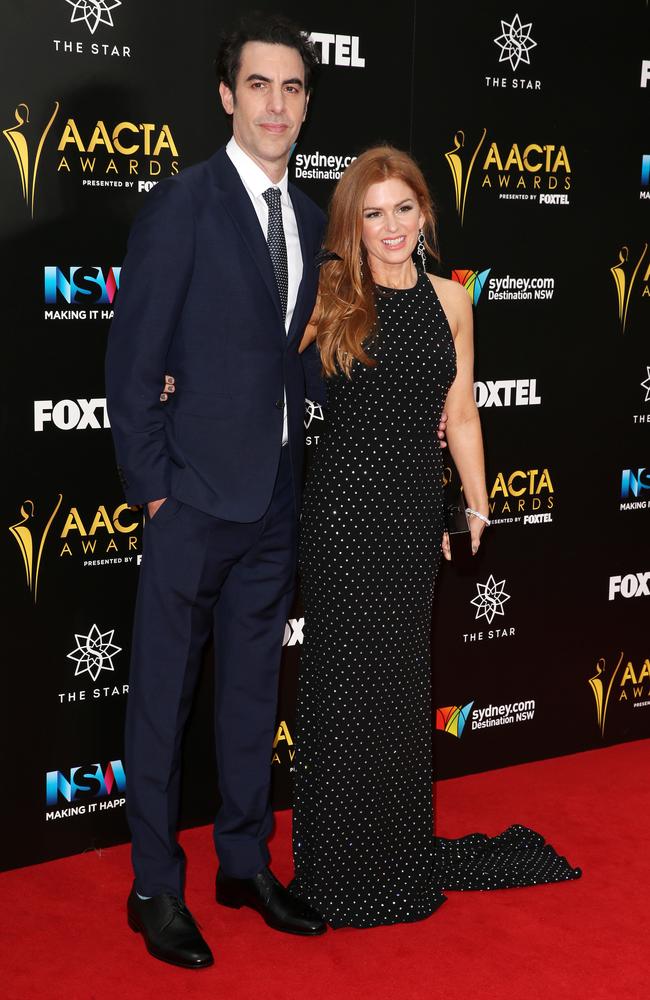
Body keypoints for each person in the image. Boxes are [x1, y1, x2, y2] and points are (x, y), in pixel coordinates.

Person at [289, 146, 581, 929]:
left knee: (398, 691)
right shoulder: (330, 293)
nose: (390, 227)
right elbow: (255, 366)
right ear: (353, 222)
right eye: (372, 212)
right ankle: (334, 870)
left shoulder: (454, 300)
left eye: (403, 208)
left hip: (413, 515)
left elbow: (460, 414)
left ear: (425, 212)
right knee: (340, 692)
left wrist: (478, 503)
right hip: (343, 515)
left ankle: (394, 856)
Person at [105, 15, 329, 969]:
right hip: (191, 502)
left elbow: (296, 358)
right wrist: (155, 491)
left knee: (248, 698)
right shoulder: (181, 203)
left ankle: (245, 862)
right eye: (260, 85)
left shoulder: (314, 219)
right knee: (161, 701)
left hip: (276, 498)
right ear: (227, 96)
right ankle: (154, 885)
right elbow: (131, 360)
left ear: (306, 103)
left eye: (294, 88)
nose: (277, 105)